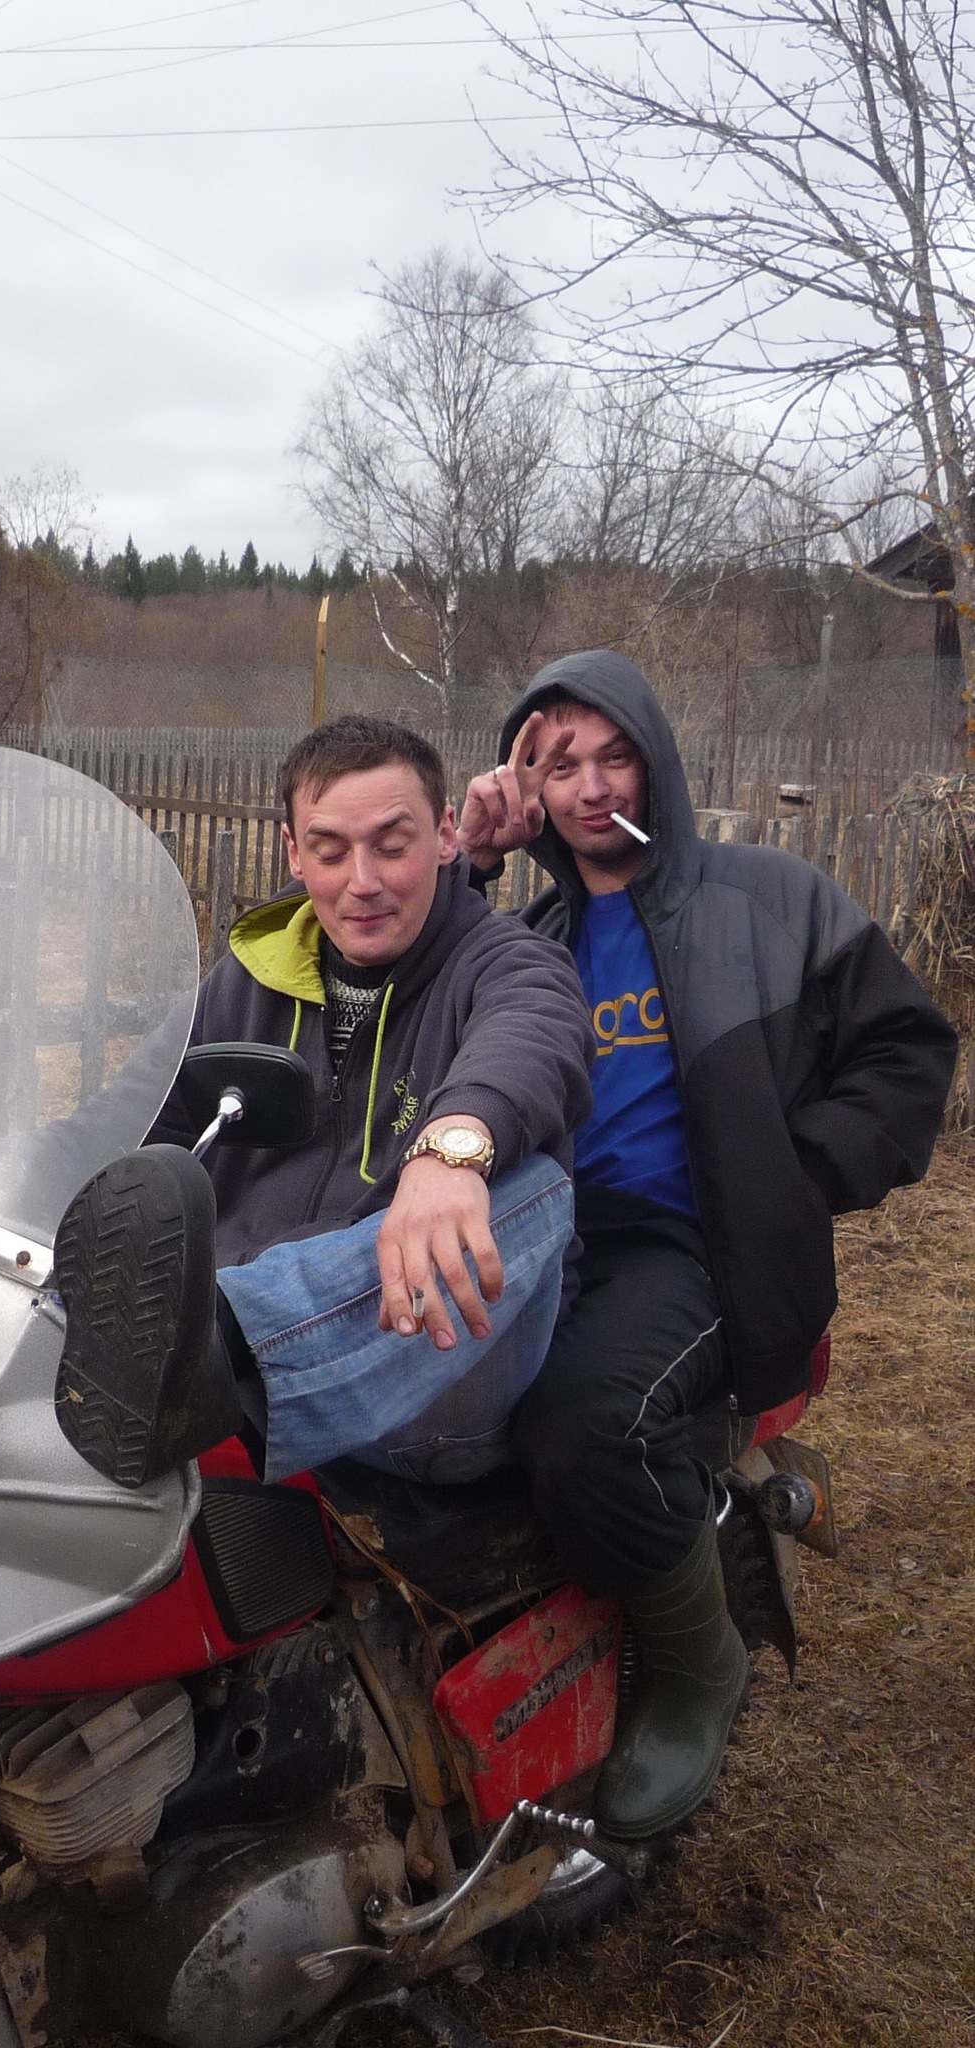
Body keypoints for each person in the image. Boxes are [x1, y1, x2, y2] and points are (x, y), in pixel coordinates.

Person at [451, 649, 957, 1842]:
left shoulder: (764, 897)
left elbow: (908, 1049)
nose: (589, 786)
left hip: (696, 1244)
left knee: (583, 1424)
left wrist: (795, 1174)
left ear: (656, 759)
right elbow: (412, 1006)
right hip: (553, 1234)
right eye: (556, 764)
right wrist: (466, 864)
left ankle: (696, 1664)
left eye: (612, 754)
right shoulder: (530, 934)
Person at [49, 715, 595, 1497]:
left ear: (446, 836)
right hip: (215, 1371)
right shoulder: (248, 979)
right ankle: (191, 1351)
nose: (362, 881)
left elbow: (533, 1035)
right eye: (331, 851)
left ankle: (214, 1346)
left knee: (536, 1189)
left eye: (392, 846)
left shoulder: (510, 962)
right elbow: (118, 1124)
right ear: (294, 853)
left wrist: (452, 1149)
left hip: (428, 1379)